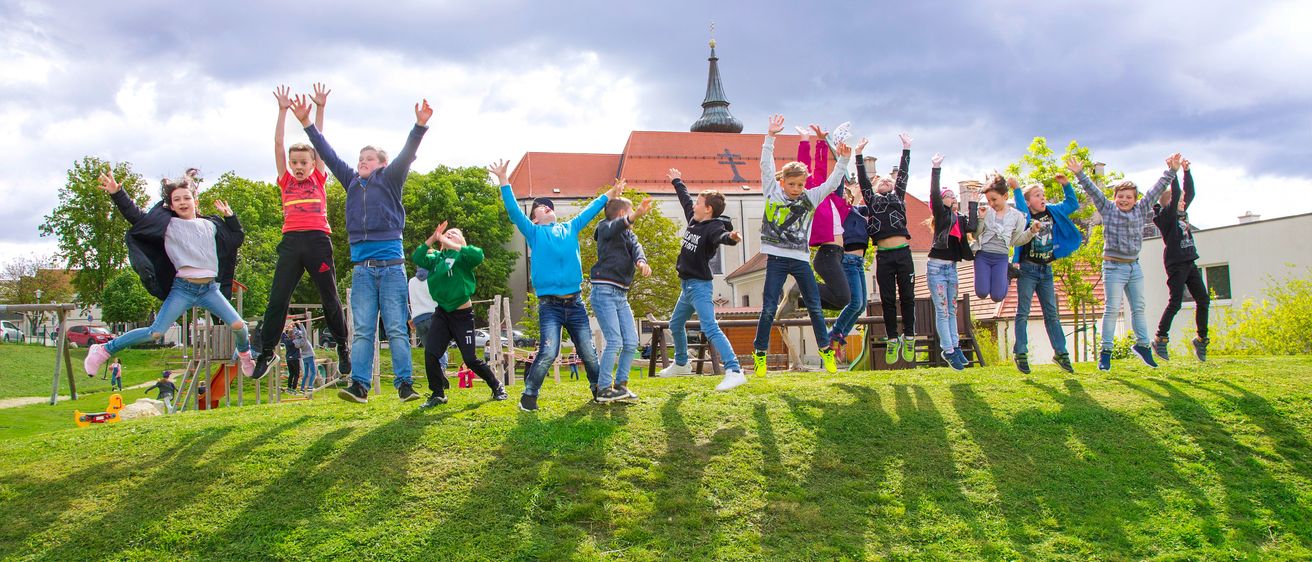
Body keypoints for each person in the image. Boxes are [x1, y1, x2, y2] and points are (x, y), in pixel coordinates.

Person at [295, 94, 433, 403]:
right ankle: (359, 385)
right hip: (363, 271)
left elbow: (407, 154)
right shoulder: (351, 182)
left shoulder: (391, 178)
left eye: (369, 158)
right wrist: (307, 123)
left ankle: (405, 385)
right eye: (360, 158)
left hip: (392, 267)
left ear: (382, 164)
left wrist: (419, 126)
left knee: (397, 327)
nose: (362, 162)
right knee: (362, 331)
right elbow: (328, 155)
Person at [84, 170, 255, 377]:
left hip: (209, 289)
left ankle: (245, 354)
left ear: (195, 200)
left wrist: (231, 218)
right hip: (183, 288)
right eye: (176, 200)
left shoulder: (211, 224)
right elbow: (136, 218)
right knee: (155, 333)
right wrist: (118, 193)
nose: (182, 202)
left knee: (240, 326)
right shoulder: (169, 226)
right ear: (171, 206)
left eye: (186, 198)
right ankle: (102, 350)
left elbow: (236, 239)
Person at [491, 159, 616, 412]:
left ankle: (599, 389)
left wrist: (609, 195)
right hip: (550, 306)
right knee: (549, 351)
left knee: (589, 352)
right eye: (540, 208)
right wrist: (504, 181)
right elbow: (514, 212)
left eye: (548, 206)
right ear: (535, 220)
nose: (547, 208)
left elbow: (590, 211)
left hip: (575, 303)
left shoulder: (570, 228)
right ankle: (529, 395)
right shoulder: (534, 233)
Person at [250, 84, 351, 381]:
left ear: (312, 164)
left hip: (318, 241)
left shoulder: (319, 177)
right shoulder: (285, 180)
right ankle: (267, 352)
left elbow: (319, 144)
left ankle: (343, 346)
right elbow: (278, 144)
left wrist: (319, 109)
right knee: (277, 299)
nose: (297, 167)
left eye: (302, 163)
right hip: (292, 242)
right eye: (294, 163)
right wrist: (282, 111)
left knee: (329, 296)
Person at [751, 114, 852, 377]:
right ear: (782, 182)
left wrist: (842, 159)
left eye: (800, 184)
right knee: (770, 306)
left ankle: (825, 351)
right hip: (776, 258)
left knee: (815, 305)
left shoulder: (810, 197)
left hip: (800, 258)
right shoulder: (772, 192)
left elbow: (831, 183)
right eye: (792, 184)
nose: (796, 189)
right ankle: (760, 353)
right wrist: (770, 137)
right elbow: (764, 165)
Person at [1070, 154, 1178, 371]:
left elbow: (1157, 189)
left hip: (1133, 266)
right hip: (1113, 267)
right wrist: (1079, 173)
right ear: (1115, 197)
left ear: (1135, 199)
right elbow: (1093, 191)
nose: (1124, 200)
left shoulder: (1141, 209)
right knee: (1111, 309)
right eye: (1121, 196)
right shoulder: (1108, 210)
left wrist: (1172, 171)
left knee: (1139, 307)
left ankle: (1143, 346)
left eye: (1129, 197)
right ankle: (1106, 352)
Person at [659, 169, 744, 389]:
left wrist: (731, 238)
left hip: (699, 286)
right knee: (675, 324)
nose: (694, 205)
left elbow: (721, 237)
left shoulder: (713, 227)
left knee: (709, 327)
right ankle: (681, 364)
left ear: (708, 209)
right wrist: (677, 180)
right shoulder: (694, 218)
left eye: (699, 202)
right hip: (686, 286)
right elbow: (685, 199)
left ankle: (734, 370)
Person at [410, 223, 509, 408]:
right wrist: (434, 237)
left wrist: (452, 243)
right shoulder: (435, 258)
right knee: (431, 353)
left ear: (461, 242)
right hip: (441, 313)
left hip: (462, 315)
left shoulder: (463, 256)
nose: (450, 234)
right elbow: (418, 256)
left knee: (470, 359)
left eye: (454, 234)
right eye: (447, 233)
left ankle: (497, 386)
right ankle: (437, 394)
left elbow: (478, 254)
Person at [1011, 174, 1083, 374]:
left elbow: (1072, 204)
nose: (1042, 198)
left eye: (1043, 195)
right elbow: (1020, 207)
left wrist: (1066, 185)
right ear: (1028, 201)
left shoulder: (1052, 212)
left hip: (1046, 270)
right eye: (1037, 195)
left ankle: (1061, 354)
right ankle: (1021, 352)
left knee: (1052, 313)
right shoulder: (1025, 215)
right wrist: (1017, 189)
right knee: (1023, 312)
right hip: (1027, 270)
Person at [590, 183, 653, 403]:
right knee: (614, 341)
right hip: (604, 291)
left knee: (631, 341)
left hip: (621, 294)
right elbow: (616, 226)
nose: (634, 215)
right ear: (621, 214)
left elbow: (636, 247)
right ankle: (603, 388)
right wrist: (635, 214)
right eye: (631, 211)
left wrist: (641, 261)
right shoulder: (605, 227)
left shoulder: (629, 235)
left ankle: (621, 385)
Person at [856, 133, 916, 365]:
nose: (885, 181)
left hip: (903, 253)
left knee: (908, 297)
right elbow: (862, 181)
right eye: (880, 180)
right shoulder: (871, 200)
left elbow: (903, 175)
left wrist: (906, 149)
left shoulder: (898, 197)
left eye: (888, 181)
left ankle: (909, 335)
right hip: (884, 255)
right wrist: (858, 154)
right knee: (888, 299)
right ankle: (893, 339)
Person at [1152, 158, 1209, 362]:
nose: (1184, 202)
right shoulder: (1166, 217)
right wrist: (1173, 172)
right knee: (1175, 302)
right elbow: (1176, 193)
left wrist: (1187, 171)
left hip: (1189, 260)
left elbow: (1189, 193)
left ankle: (1201, 339)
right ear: (1169, 204)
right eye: (1179, 200)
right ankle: (1160, 338)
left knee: (1203, 299)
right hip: (1176, 263)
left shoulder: (1182, 213)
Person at [926, 153, 979, 370]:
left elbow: (973, 226)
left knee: (952, 310)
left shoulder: (959, 219)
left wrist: (973, 201)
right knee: (942, 309)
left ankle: (955, 347)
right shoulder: (941, 215)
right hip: (937, 267)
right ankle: (947, 349)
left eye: (952, 195)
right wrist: (936, 168)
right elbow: (933, 193)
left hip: (951, 268)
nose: (952, 198)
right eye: (948, 195)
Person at [797, 125, 851, 313]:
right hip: (827, 253)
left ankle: (799, 301)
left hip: (835, 253)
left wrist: (821, 141)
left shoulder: (830, 198)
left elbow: (821, 168)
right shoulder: (813, 196)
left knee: (840, 301)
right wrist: (805, 140)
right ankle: (801, 291)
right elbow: (804, 168)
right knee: (844, 297)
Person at [972, 175, 1032, 303]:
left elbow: (1016, 241)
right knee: (981, 292)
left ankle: (1008, 275)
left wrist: (1031, 232)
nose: (991, 204)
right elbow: (975, 235)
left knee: (997, 296)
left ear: (1005, 196)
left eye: (994, 199)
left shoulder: (1016, 216)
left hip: (1001, 258)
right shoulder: (986, 212)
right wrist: (981, 219)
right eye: (989, 200)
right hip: (983, 256)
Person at [293, 322, 317, 393]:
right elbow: (304, 332)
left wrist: (294, 327)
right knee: (313, 372)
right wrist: (300, 324)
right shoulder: (304, 339)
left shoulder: (296, 341)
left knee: (306, 374)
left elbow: (296, 334)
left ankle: (302, 388)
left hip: (304, 357)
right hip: (310, 356)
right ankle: (310, 387)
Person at [281, 322, 301, 392]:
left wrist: (285, 329)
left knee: (291, 374)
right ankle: (294, 388)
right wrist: (296, 325)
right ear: (294, 335)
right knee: (296, 374)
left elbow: (282, 336)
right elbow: (300, 333)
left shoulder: (286, 341)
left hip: (288, 359)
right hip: (295, 358)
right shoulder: (295, 341)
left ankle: (289, 386)